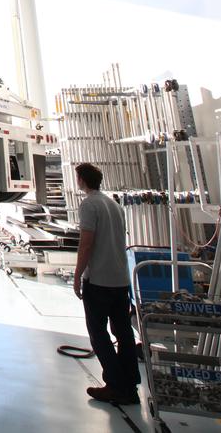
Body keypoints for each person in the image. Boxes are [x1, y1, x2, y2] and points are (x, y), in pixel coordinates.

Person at [73, 162, 140, 406]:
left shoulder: (89, 204)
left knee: (98, 334)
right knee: (123, 333)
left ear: (82, 179)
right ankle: (130, 385)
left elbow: (86, 244)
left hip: (99, 280)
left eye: (77, 177)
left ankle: (114, 384)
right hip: (120, 280)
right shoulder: (113, 203)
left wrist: (78, 274)